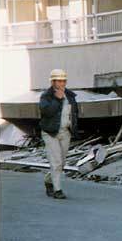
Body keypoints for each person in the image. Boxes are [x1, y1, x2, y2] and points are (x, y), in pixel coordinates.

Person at [38, 69, 78, 199]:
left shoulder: (70, 96)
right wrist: (57, 99)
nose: (62, 83)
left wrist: (75, 128)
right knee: (56, 162)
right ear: (53, 82)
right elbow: (46, 112)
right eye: (59, 81)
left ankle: (49, 180)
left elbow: (74, 114)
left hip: (65, 132)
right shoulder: (46, 96)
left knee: (62, 162)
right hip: (50, 132)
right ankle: (57, 190)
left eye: (64, 81)